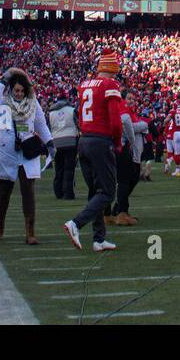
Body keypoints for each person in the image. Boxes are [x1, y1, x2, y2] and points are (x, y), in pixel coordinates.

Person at [64, 49, 125, 253]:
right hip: (100, 141)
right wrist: (117, 142)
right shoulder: (110, 85)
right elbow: (116, 122)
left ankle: (99, 239)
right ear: (112, 69)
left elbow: (80, 115)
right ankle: (76, 223)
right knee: (108, 192)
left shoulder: (84, 85)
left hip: (85, 139)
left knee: (95, 191)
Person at [0, 68, 52, 245]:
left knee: (28, 191)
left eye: (22, 90)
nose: (19, 93)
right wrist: (4, 77)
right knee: (4, 191)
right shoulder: (2, 103)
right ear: (10, 89)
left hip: (27, 150)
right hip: (7, 150)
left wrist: (50, 143)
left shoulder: (33, 103)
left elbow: (41, 125)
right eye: (16, 90)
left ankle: (30, 231)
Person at [108, 87, 146, 226]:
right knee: (126, 180)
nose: (131, 101)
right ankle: (120, 212)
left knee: (127, 180)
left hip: (124, 149)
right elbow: (130, 125)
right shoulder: (122, 110)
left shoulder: (128, 111)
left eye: (132, 98)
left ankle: (114, 211)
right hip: (123, 149)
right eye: (128, 98)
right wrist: (144, 125)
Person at [47, 93, 79, 200]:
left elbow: (48, 127)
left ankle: (58, 192)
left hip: (56, 142)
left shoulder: (51, 113)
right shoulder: (72, 110)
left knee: (59, 168)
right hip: (70, 141)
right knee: (69, 169)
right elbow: (78, 124)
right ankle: (68, 193)